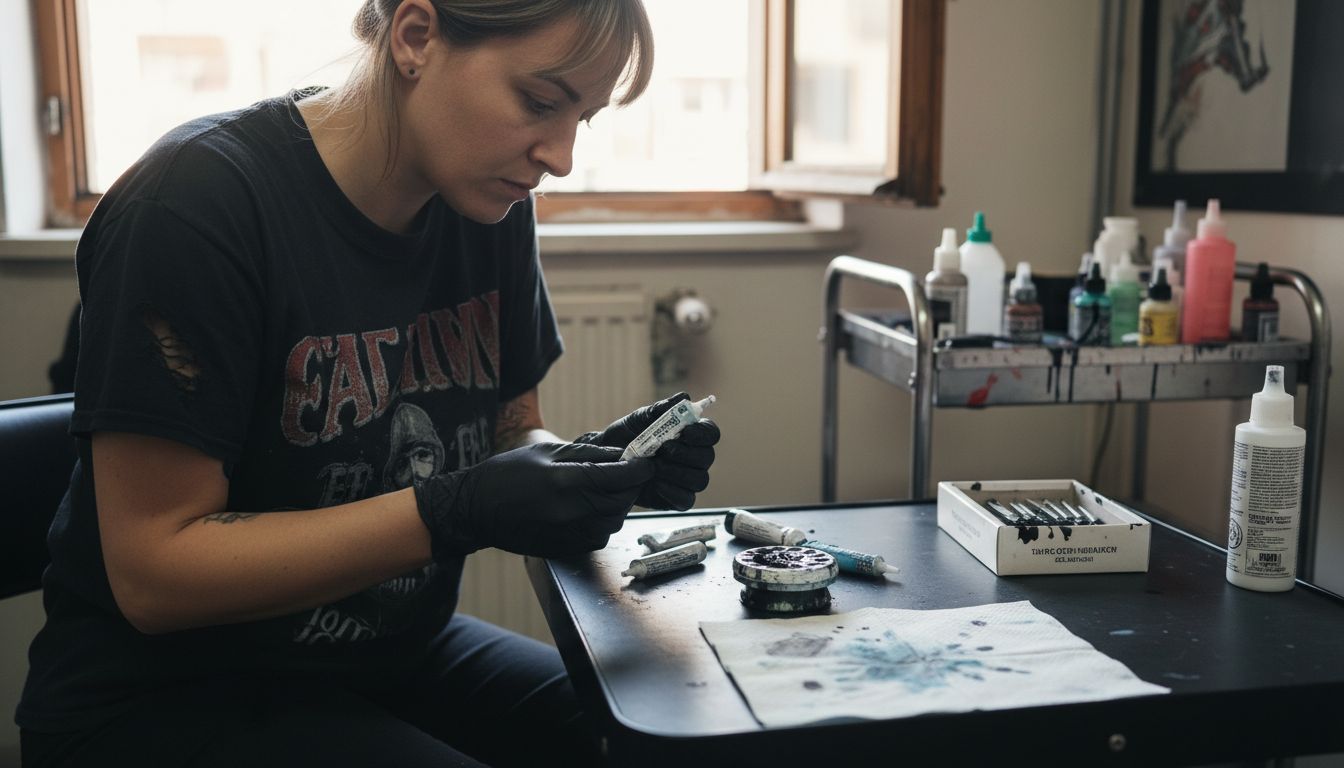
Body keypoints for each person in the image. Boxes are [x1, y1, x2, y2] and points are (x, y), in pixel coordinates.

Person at [17, 1, 720, 765]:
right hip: (166, 691)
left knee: (663, 738)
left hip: (388, 655)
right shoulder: (196, 207)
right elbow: (154, 575)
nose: (561, 157)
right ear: (416, 37)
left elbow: (509, 430)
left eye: (582, 118)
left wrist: (581, 471)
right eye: (541, 102)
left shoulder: (488, 205)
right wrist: (459, 508)